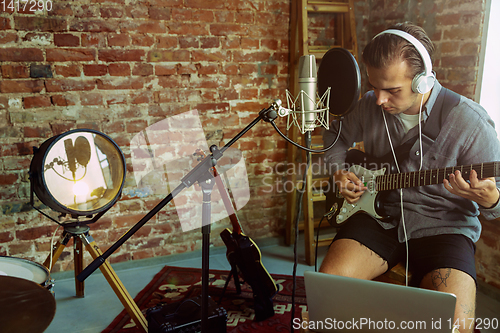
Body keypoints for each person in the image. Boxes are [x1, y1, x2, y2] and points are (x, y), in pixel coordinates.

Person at [321, 22, 500, 333]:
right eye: (374, 86)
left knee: (457, 325)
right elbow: (334, 136)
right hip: (379, 218)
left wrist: (491, 200)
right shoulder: (369, 105)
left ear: (422, 82)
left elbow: (498, 199)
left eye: (392, 90)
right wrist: (339, 170)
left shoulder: (471, 123)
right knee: (328, 294)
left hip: (444, 226)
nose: (378, 99)